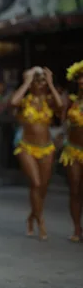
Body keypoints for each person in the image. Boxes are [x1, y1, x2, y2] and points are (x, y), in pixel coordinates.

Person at [10, 66, 63, 240]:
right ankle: (40, 220)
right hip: (26, 147)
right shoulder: (25, 101)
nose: (39, 85)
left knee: (43, 187)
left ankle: (32, 215)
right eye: (36, 81)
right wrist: (26, 82)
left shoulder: (49, 99)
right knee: (36, 183)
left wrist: (50, 82)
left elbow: (61, 106)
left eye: (42, 81)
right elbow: (13, 102)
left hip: (47, 148)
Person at [61, 60, 83, 242]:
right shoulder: (70, 101)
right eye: (79, 78)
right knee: (75, 188)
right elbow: (61, 120)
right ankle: (77, 228)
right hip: (73, 151)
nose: (82, 81)